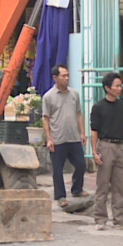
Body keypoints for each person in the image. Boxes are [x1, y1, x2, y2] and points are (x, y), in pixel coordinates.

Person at [90, 72, 123, 230]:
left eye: (120, 85)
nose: (120, 88)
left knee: (120, 185)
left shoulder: (121, 105)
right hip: (105, 146)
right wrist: (94, 152)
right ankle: (100, 219)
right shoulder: (98, 107)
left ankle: (120, 219)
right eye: (116, 86)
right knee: (102, 184)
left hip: (120, 147)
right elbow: (94, 131)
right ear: (107, 88)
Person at [41, 64, 88, 206]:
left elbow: (78, 114)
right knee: (57, 170)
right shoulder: (48, 97)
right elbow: (45, 119)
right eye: (63, 76)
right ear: (55, 77)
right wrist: (49, 139)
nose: (67, 78)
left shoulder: (74, 94)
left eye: (67, 75)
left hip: (73, 137)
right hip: (57, 139)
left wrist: (82, 133)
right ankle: (60, 196)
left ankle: (77, 189)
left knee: (81, 164)